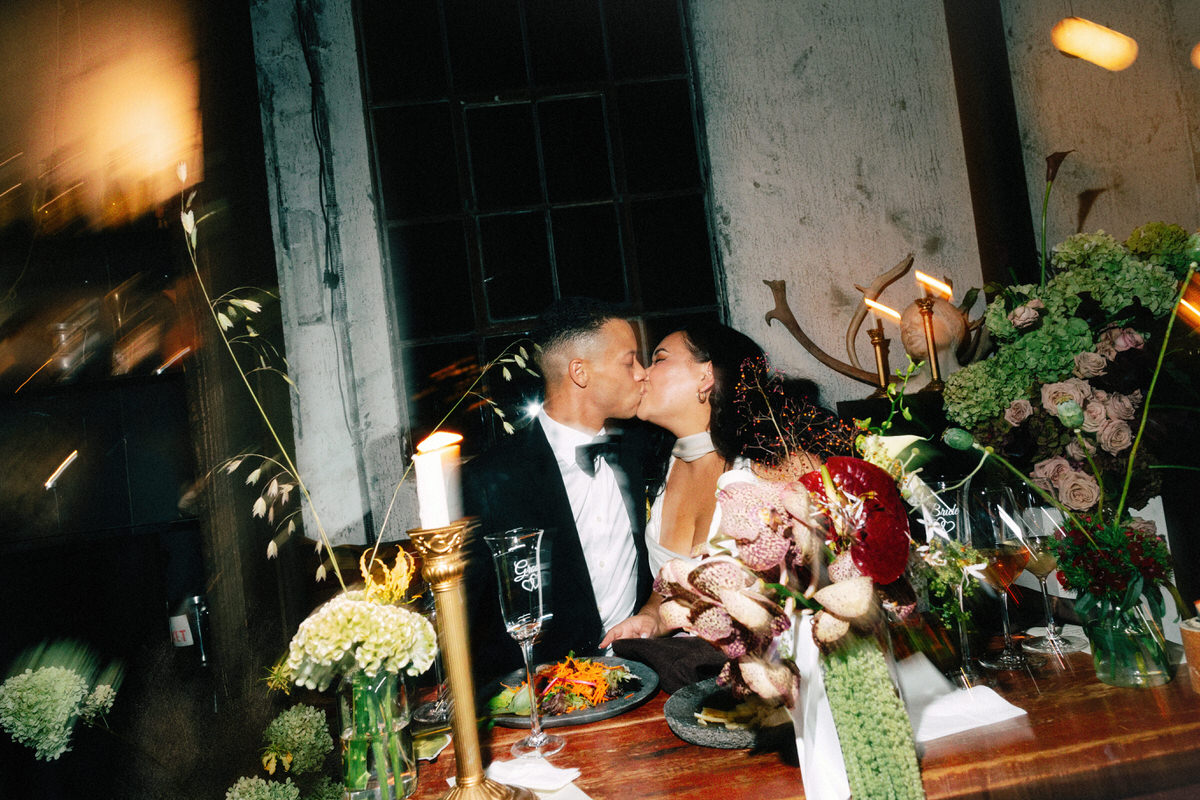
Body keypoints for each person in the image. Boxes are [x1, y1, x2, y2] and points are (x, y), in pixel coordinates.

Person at [462, 297, 653, 685]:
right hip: (548, 698)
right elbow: (473, 622)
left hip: (646, 678)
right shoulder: (490, 480)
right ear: (580, 372)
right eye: (629, 360)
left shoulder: (644, 451)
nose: (642, 373)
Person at [599, 322, 766, 646]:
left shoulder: (764, 470)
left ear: (706, 377)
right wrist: (651, 617)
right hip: (686, 676)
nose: (643, 374)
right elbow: (667, 588)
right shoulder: (658, 468)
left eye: (659, 360)